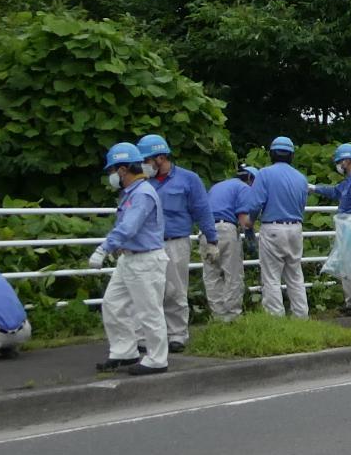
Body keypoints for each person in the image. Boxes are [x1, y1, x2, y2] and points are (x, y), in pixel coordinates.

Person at [91, 141, 169, 375]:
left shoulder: (142, 194)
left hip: (145, 260)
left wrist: (103, 248)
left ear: (123, 170)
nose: (111, 176)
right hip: (130, 259)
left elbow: (129, 227)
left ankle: (157, 359)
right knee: (113, 303)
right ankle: (124, 352)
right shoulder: (131, 193)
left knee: (149, 311)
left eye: (112, 171)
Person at [137, 134, 217, 354]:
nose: (144, 164)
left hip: (176, 242)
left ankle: (177, 334)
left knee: (175, 290)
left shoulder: (188, 179)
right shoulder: (142, 181)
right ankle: (145, 336)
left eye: (147, 160)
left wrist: (212, 240)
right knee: (147, 290)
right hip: (147, 244)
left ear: (161, 158)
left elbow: (202, 209)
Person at [252, 135, 312, 318]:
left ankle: (275, 317)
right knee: (295, 274)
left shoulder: (264, 174)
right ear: (291, 155)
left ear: (271, 154)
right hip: (295, 228)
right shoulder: (301, 178)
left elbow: (256, 203)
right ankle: (301, 315)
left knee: (271, 277)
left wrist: (249, 222)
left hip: (272, 228)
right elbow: (302, 205)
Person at [312, 143, 351, 317]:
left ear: (347, 161)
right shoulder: (348, 181)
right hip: (347, 229)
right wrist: (313, 188)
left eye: (339, 161)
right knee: (346, 266)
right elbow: (335, 191)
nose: (338, 165)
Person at [205, 163, 263, 322]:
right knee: (232, 274)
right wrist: (251, 234)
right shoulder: (244, 189)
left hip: (206, 230)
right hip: (226, 229)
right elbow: (244, 221)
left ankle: (218, 317)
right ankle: (232, 317)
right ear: (251, 179)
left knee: (212, 274)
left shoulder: (218, 186)